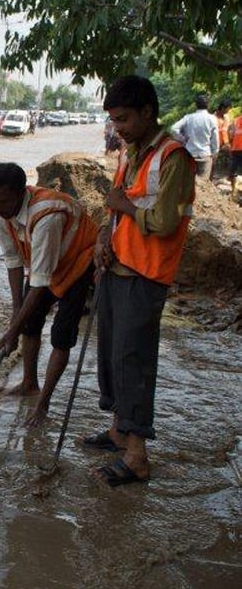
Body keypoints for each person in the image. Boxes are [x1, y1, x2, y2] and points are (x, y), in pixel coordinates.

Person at [87, 75, 196, 487]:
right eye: (114, 120)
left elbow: (165, 221)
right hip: (117, 267)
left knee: (134, 362)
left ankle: (136, 456)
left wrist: (124, 208)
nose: (118, 128)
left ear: (148, 112)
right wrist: (102, 236)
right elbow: (114, 206)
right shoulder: (131, 152)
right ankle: (119, 431)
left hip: (145, 273)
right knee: (114, 359)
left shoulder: (174, 157)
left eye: (124, 119)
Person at [0, 162, 98, 427]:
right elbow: (13, 261)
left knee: (61, 335)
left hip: (77, 262)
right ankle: (29, 383)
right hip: (45, 263)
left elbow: (40, 282)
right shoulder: (0, 213)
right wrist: (16, 315)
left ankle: (43, 403)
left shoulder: (46, 215)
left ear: (20, 194)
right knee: (29, 323)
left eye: (3, 201)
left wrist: (12, 331)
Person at [170, 93, 218, 179]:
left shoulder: (188, 118)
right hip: (205, 155)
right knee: (203, 185)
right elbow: (215, 140)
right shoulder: (212, 119)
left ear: (196, 105)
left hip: (189, 154)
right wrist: (214, 153)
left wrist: (183, 139)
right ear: (208, 105)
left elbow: (174, 129)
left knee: (188, 183)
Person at [211, 98, 232, 181]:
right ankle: (210, 180)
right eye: (228, 109)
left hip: (226, 144)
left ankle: (230, 178)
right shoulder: (212, 118)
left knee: (233, 159)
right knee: (213, 162)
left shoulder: (227, 117)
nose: (228, 111)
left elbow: (228, 130)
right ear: (223, 108)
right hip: (214, 145)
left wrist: (228, 142)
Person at [228, 107, 242, 201]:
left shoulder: (235, 121)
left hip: (235, 149)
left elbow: (230, 135)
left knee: (234, 172)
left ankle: (234, 193)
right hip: (238, 149)